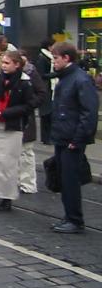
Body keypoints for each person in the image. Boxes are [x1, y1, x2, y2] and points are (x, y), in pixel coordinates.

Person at [0, 50, 36, 211]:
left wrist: (6, 113)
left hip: (12, 128)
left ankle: (6, 197)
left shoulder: (25, 82)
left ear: (17, 65)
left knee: (8, 165)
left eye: (7, 63)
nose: (3, 66)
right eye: (3, 62)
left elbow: (28, 105)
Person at [50, 42, 99, 234]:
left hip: (71, 139)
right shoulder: (66, 77)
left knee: (70, 180)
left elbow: (89, 113)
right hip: (63, 136)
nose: (53, 62)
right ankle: (69, 216)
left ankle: (75, 220)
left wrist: (78, 139)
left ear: (66, 58)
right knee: (64, 178)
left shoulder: (80, 80)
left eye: (55, 58)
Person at [18, 50, 48, 194]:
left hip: (27, 119)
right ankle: (17, 180)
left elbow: (42, 93)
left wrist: (30, 105)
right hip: (14, 119)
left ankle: (28, 183)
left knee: (26, 152)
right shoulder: (10, 73)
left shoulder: (31, 73)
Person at [35, 38, 56, 145]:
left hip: (50, 87)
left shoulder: (50, 57)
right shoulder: (42, 58)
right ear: (49, 46)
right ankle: (46, 137)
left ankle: (49, 136)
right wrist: (56, 74)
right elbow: (41, 74)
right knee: (46, 113)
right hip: (46, 88)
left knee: (50, 113)